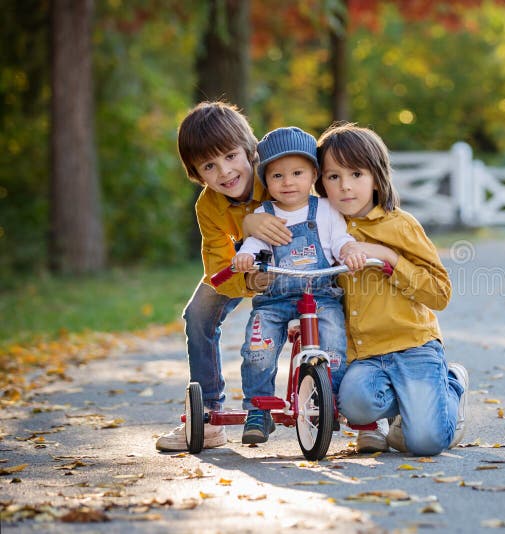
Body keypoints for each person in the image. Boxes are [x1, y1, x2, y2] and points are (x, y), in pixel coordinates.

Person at [318, 123, 469, 456]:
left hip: (412, 345)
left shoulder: (400, 225)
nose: (345, 187)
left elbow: (440, 293)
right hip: (366, 355)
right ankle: (414, 406)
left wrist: (389, 257)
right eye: (333, 177)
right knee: (353, 407)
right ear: (321, 181)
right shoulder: (323, 229)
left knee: (425, 444)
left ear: (376, 177)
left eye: (356, 174)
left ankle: (452, 385)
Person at [155, 101, 292, 452]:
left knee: (340, 301)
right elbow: (217, 265)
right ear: (197, 175)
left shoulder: (276, 175)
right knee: (198, 313)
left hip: (296, 258)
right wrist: (248, 282)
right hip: (240, 268)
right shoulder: (208, 206)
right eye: (209, 166)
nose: (225, 172)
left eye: (231, 156)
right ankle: (209, 414)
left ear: (250, 150)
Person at [230, 126, 356, 444]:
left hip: (320, 293)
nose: (288, 183)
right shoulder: (264, 213)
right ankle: (259, 408)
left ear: (313, 173)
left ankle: (330, 400)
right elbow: (254, 245)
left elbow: (340, 239)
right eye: (277, 176)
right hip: (275, 297)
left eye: (297, 172)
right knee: (259, 347)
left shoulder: (326, 210)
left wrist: (349, 250)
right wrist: (246, 257)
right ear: (266, 180)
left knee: (334, 345)